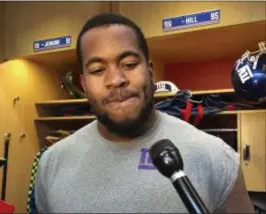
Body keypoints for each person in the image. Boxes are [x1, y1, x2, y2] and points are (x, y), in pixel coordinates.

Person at [34, 13, 254, 213]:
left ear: (150, 72)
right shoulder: (51, 164)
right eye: (97, 70)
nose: (116, 79)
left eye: (129, 64)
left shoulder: (217, 158)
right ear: (83, 84)